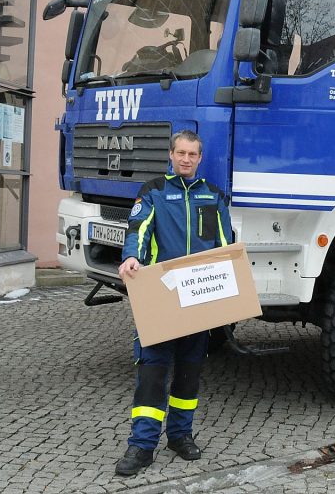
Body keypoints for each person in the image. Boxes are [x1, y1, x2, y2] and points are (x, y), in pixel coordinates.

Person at [114, 130, 233, 476]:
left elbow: (223, 247)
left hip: (198, 299)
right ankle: (142, 446)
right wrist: (131, 257)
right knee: (151, 372)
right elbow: (138, 229)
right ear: (170, 155)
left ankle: (180, 435)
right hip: (160, 298)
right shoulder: (153, 192)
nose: (185, 159)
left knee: (189, 372)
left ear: (199, 158)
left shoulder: (211, 196)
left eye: (192, 154)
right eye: (180, 153)